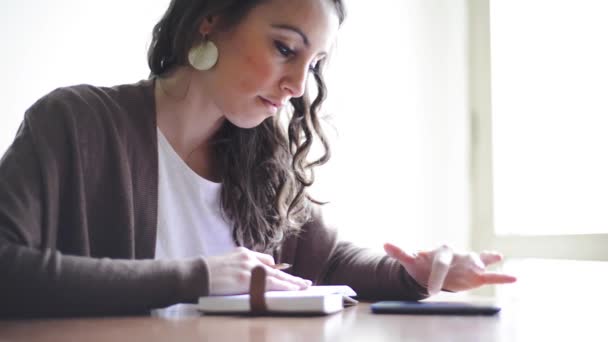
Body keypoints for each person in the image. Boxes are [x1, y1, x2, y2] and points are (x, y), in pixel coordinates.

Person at [0, 0, 516, 317]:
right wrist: (199, 276)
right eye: (284, 48)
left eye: (313, 64)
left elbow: (327, 262)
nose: (296, 85)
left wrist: (418, 273)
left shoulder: (260, 155)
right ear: (211, 20)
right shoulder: (73, 122)